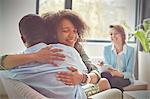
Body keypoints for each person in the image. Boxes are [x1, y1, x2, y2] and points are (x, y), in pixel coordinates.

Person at [98, 25, 135, 91]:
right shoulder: (106, 49)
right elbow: (108, 66)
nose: (113, 36)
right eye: (111, 34)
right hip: (111, 75)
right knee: (103, 75)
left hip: (124, 78)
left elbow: (129, 73)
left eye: (116, 34)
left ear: (122, 35)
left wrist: (119, 74)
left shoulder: (131, 50)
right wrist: (103, 65)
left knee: (114, 81)